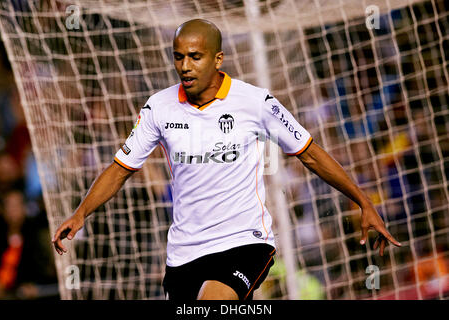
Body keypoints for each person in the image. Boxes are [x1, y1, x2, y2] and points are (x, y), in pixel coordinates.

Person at [52, 19, 401, 300]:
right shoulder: (158, 107)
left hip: (244, 243)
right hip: (183, 253)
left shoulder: (255, 102)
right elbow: (121, 168)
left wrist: (362, 201)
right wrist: (81, 212)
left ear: (218, 59)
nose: (184, 66)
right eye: (178, 57)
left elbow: (308, 152)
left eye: (195, 56)